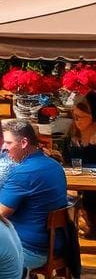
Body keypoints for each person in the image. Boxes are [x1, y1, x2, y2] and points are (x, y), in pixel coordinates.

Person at [0, 120, 68, 271]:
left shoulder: (23, 172)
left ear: (24, 143)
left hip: (30, 250)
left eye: (8, 143)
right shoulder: (55, 166)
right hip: (56, 245)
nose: (3, 148)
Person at [64, 92, 96, 236]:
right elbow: (70, 161)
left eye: (81, 117)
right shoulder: (73, 136)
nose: (77, 121)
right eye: (75, 117)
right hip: (81, 182)